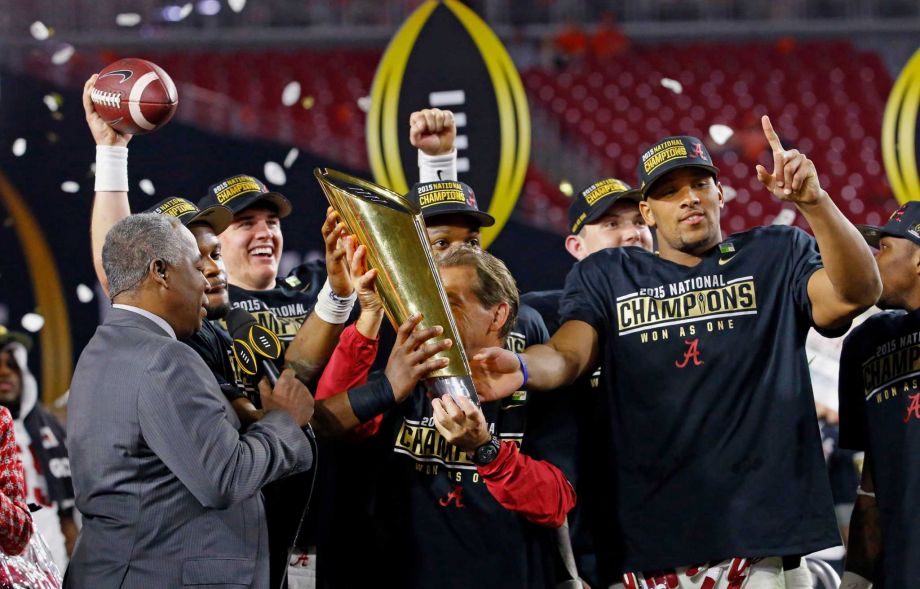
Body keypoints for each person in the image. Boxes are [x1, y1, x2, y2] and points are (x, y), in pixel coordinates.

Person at [472, 117, 881, 587]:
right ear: (647, 212)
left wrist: (815, 202)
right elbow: (569, 355)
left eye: (699, 184)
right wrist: (523, 367)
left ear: (720, 195)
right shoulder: (609, 273)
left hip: (761, 535)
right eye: (670, 191)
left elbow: (857, 292)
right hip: (649, 540)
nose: (689, 197)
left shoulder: (775, 252)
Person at [65, 213, 316, 588]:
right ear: (161, 272)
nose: (206, 280)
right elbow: (226, 477)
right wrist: (284, 421)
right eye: (197, 267)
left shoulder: (101, 350)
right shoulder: (165, 359)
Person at [320, 245, 577, 587]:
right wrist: (368, 317)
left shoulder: (537, 390)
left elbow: (555, 503)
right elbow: (331, 423)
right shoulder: (407, 378)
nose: (433, 315)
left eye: (450, 302)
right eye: (429, 301)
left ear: (497, 315)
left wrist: (486, 449)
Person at [838, 201, 920, 588]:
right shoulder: (867, 343)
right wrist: (856, 574)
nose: (873, 260)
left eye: (885, 248)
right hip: (898, 570)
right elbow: (870, 483)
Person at [0, 329, 76, 572]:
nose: (5, 372)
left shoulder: (48, 427)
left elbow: (66, 512)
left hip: (50, 559)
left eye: (12, 364)